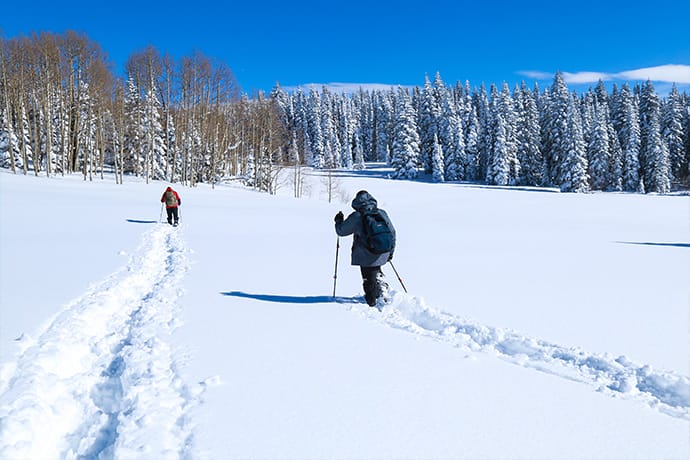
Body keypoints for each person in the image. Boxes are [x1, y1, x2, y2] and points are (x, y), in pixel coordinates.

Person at [334, 190, 396, 307]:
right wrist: (390, 252)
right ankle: (380, 287)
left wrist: (338, 221)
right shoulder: (382, 213)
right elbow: (392, 232)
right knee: (375, 271)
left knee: (368, 278)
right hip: (383, 251)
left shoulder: (357, 216)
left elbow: (341, 231)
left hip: (366, 254)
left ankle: (372, 302)